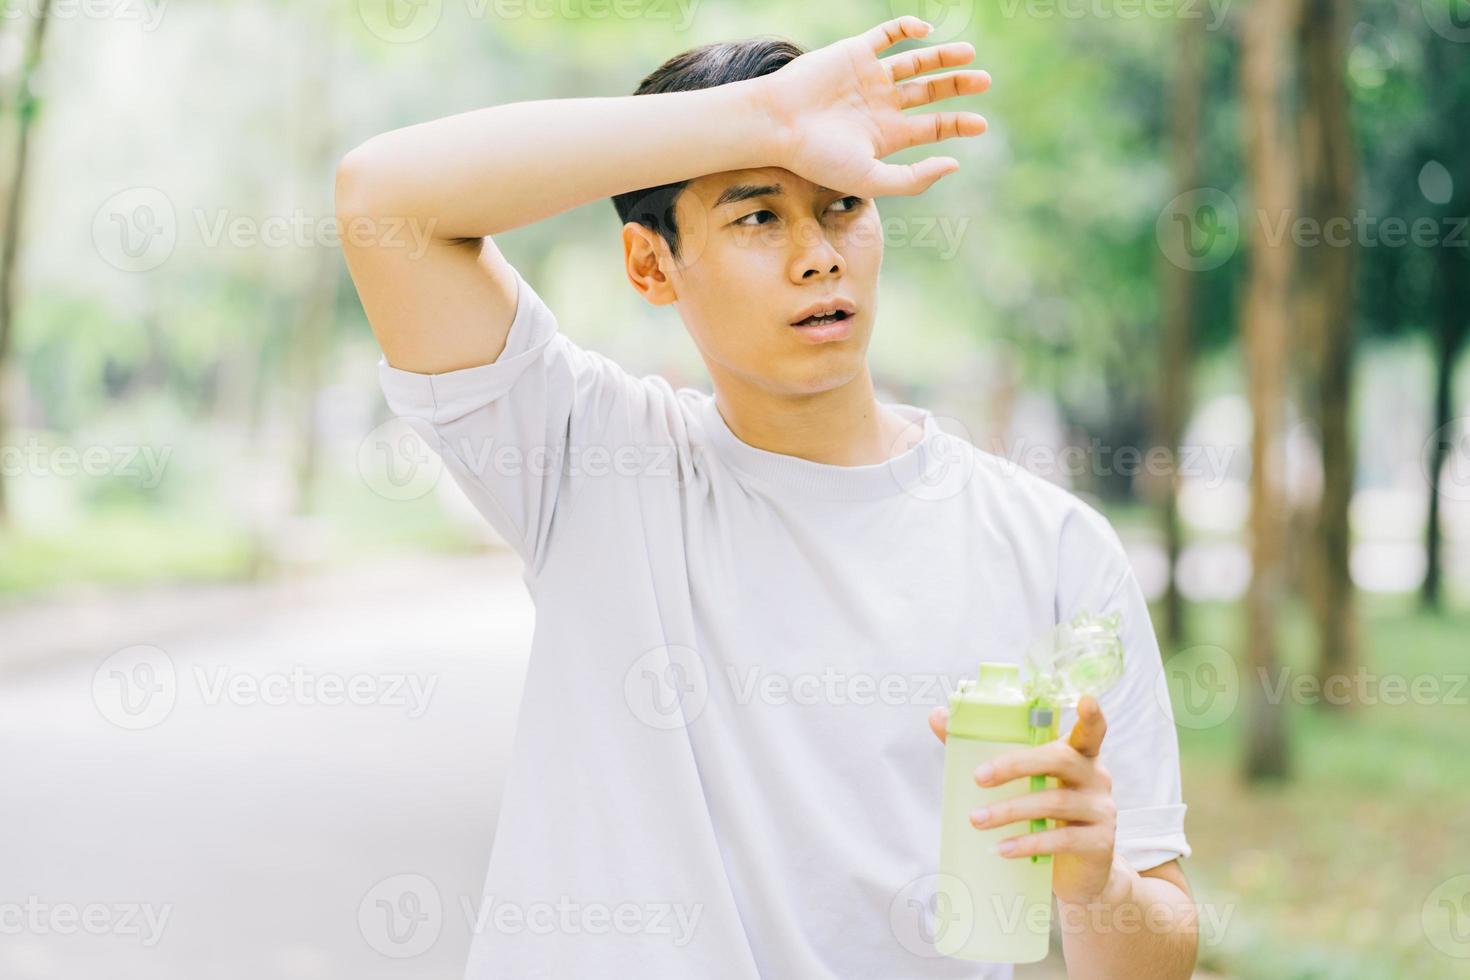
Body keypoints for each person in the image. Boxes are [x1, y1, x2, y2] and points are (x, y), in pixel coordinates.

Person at [336, 16, 1197, 979]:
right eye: (758, 216)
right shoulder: (595, 463)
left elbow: (1154, 948)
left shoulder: (1052, 548)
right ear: (651, 265)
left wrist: (1096, 884)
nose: (819, 255)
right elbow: (382, 200)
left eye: (842, 208)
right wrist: (768, 116)